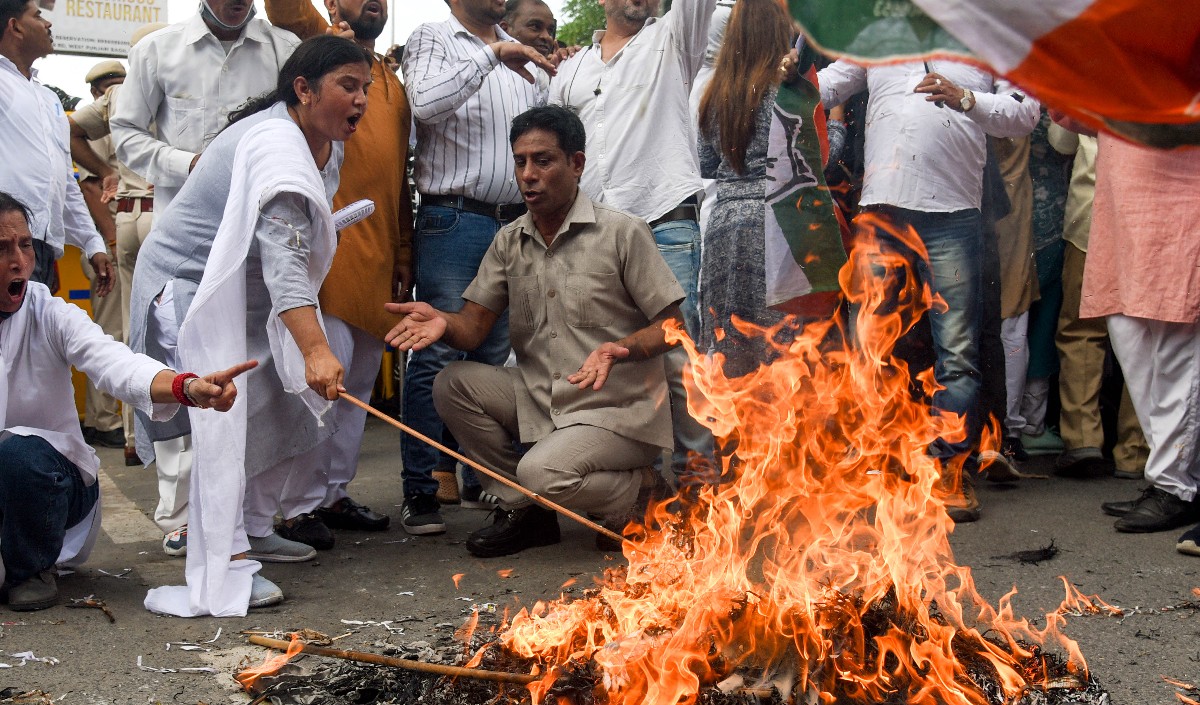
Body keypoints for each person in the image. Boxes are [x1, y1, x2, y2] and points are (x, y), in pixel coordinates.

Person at [130, 35, 372, 617]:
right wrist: (310, 350)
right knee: (234, 401)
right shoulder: (274, 143)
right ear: (304, 90)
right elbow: (286, 254)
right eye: (348, 85)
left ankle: (256, 524)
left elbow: (289, 235)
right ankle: (224, 553)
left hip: (248, 293)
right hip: (190, 293)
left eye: (366, 88)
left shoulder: (324, 145)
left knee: (302, 379)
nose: (361, 99)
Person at [386, 105, 686, 557]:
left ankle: (642, 494)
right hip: (542, 399)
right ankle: (529, 511)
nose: (528, 174)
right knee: (451, 383)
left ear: (577, 164)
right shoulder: (509, 240)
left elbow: (672, 327)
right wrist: (443, 322)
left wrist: (616, 349)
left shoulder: (623, 232)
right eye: (520, 161)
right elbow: (472, 329)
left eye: (543, 161)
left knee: (542, 472)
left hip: (617, 412)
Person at [0, 191, 254, 612]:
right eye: (2, 248)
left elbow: (114, 362)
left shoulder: (49, 313)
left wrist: (185, 386)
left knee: (18, 452)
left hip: (51, 484)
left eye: (25, 245)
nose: (19, 261)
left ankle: (32, 568)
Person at [110, 1, 298, 557]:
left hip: (256, 250)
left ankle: (248, 523)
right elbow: (125, 133)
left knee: (255, 381)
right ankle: (184, 520)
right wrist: (188, 163)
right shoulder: (157, 50)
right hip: (186, 249)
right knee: (184, 376)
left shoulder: (283, 49)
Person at [817, 58, 1040, 522]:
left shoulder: (984, 37)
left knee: (957, 353)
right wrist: (782, 71)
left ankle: (949, 473)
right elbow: (823, 89)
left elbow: (1025, 113)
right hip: (882, 213)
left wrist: (967, 98)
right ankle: (876, 467)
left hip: (955, 217)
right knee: (869, 347)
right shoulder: (879, 37)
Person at [398, 0, 554, 535]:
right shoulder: (434, 38)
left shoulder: (521, 54)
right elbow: (424, 104)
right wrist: (493, 55)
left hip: (515, 222)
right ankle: (420, 489)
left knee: (493, 354)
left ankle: (481, 477)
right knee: (437, 350)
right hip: (455, 219)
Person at [549, 0, 718, 491]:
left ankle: (698, 490)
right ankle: (636, 485)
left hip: (665, 222)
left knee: (678, 358)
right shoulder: (573, 69)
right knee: (604, 360)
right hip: (595, 234)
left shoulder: (671, 39)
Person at [265, 0, 413, 547]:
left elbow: (397, 178)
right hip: (330, 251)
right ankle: (297, 507)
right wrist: (326, 26)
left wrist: (403, 253)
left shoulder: (390, 83)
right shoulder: (323, 44)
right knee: (324, 381)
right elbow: (280, 6)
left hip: (380, 256)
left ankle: (331, 494)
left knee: (358, 388)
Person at [696, 0, 843, 378]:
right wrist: (838, 124)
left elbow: (709, 165)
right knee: (784, 353)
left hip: (725, 226)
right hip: (779, 224)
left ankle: (740, 438)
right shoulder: (789, 91)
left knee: (733, 352)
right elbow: (818, 161)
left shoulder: (714, 92)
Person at [1068, 128, 1200, 536]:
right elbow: (1073, 115)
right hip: (1120, 220)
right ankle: (1179, 480)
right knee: (1131, 345)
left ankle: (1175, 486)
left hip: (1180, 209)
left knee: (1177, 357)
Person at [68, 26, 165, 467]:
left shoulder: (116, 97)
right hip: (166, 210)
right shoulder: (176, 77)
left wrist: (107, 170)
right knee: (176, 328)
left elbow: (66, 130)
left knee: (130, 332)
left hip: (127, 216)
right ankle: (167, 433)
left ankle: (132, 438)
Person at [1047, 124, 1147, 480]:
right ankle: (1136, 451)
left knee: (1081, 330)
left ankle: (1082, 439)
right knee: (1145, 334)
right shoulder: (1164, 70)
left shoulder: (1089, 70)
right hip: (1147, 218)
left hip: (1089, 215)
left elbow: (1061, 141)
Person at [0, 0, 112, 294]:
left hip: (42, 248)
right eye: (38, 15)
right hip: (5, 243)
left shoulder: (49, 100)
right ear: (15, 27)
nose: (48, 24)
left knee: (30, 339)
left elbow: (64, 181)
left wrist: (92, 242)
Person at [71, 61, 130, 454]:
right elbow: (92, 189)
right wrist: (109, 243)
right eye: (108, 87)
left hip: (112, 243)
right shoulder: (94, 132)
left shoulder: (124, 121)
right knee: (110, 334)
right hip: (104, 246)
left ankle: (104, 418)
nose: (116, 92)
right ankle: (102, 419)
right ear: (95, 94)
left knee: (119, 332)